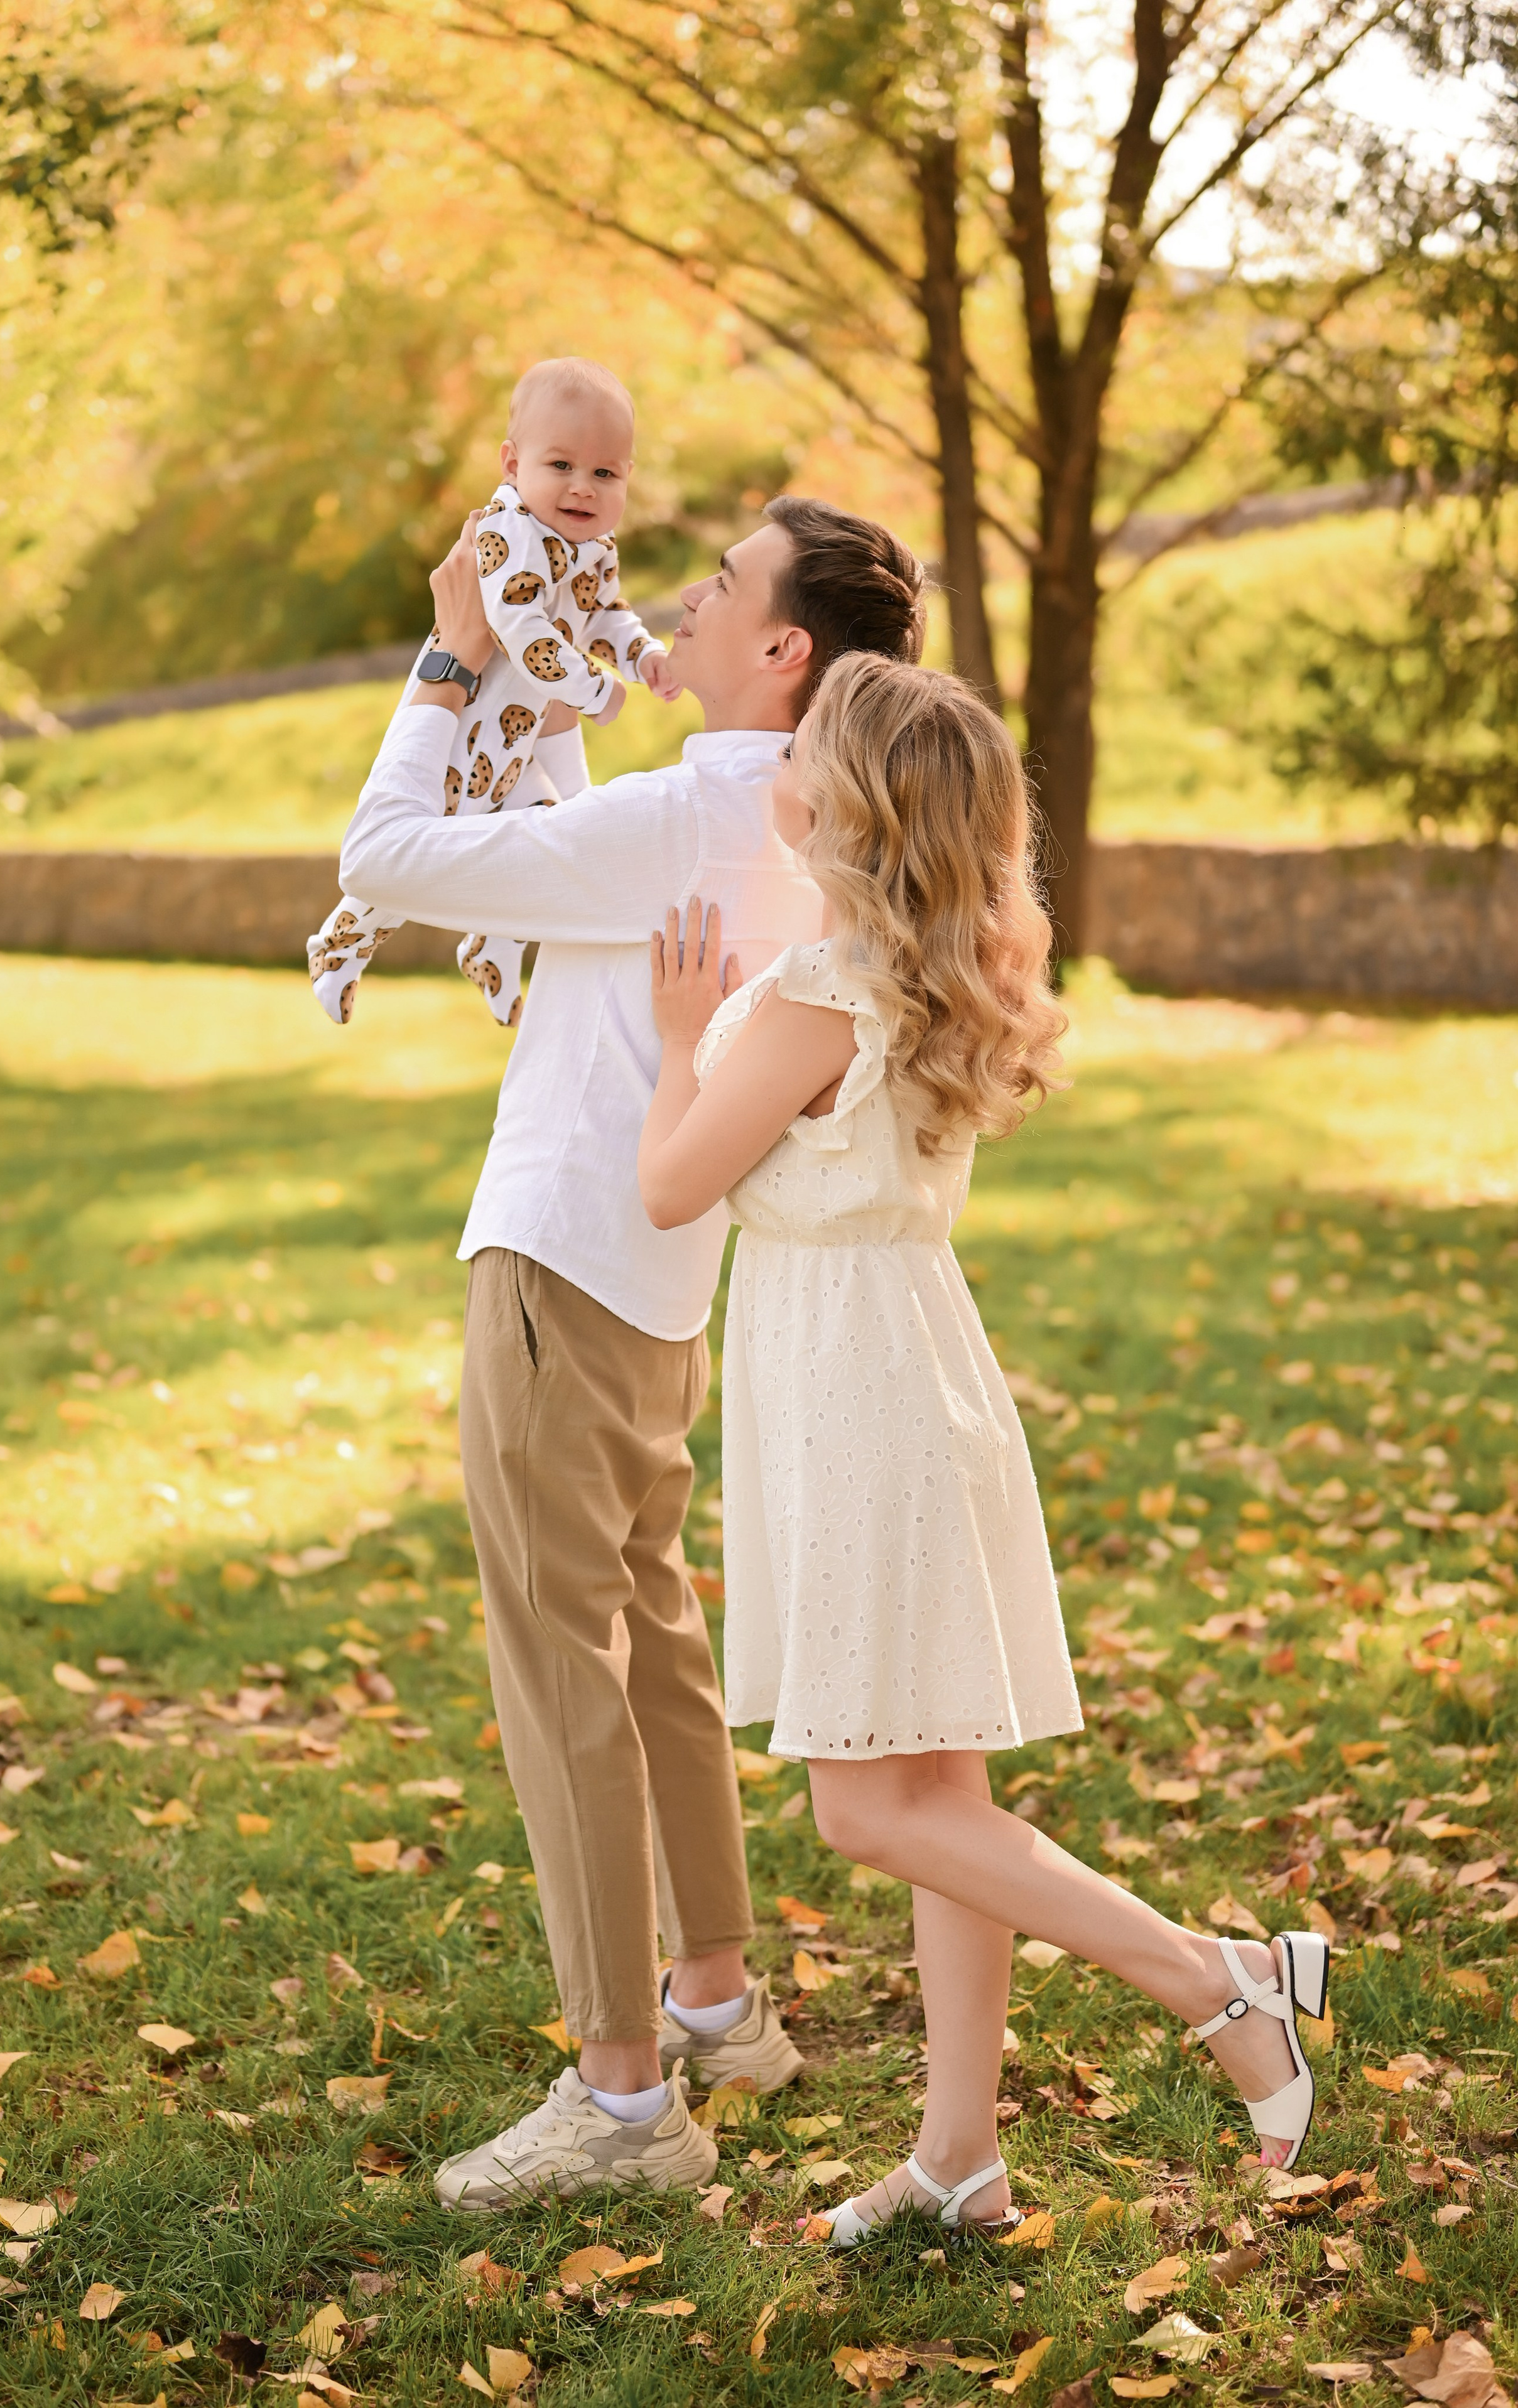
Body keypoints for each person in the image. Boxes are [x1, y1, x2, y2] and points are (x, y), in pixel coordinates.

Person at [636, 652, 1331, 2246]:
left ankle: (1212, 1978)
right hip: (904, 1369)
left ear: (843, 795)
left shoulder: (816, 997)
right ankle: (958, 2152)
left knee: (865, 1808)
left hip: (850, 1396)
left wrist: (681, 1032)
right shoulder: (909, 971)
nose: (781, 750)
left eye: (804, 739)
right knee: (936, 1776)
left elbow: (672, 1183)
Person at [337, 492, 929, 2208]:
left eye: (721, 583)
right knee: (652, 1638)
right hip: (667, 1282)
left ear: (783, 652)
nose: (682, 596)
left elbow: (383, 853)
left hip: (564, 1266)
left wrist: (453, 655)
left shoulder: (692, 808)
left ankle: (617, 2100)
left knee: (562, 1667)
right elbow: (567, 861)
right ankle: (718, 2007)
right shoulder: (803, 818)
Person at [307, 358, 678, 1029]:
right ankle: (339, 946)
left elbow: (607, 615)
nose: (581, 488)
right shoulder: (507, 533)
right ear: (512, 464)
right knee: (418, 852)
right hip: (464, 727)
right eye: (560, 465)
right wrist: (597, 689)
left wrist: (642, 653)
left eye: (605, 473)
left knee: (533, 846)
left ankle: (492, 953)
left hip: (518, 741)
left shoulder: (595, 548)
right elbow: (519, 627)